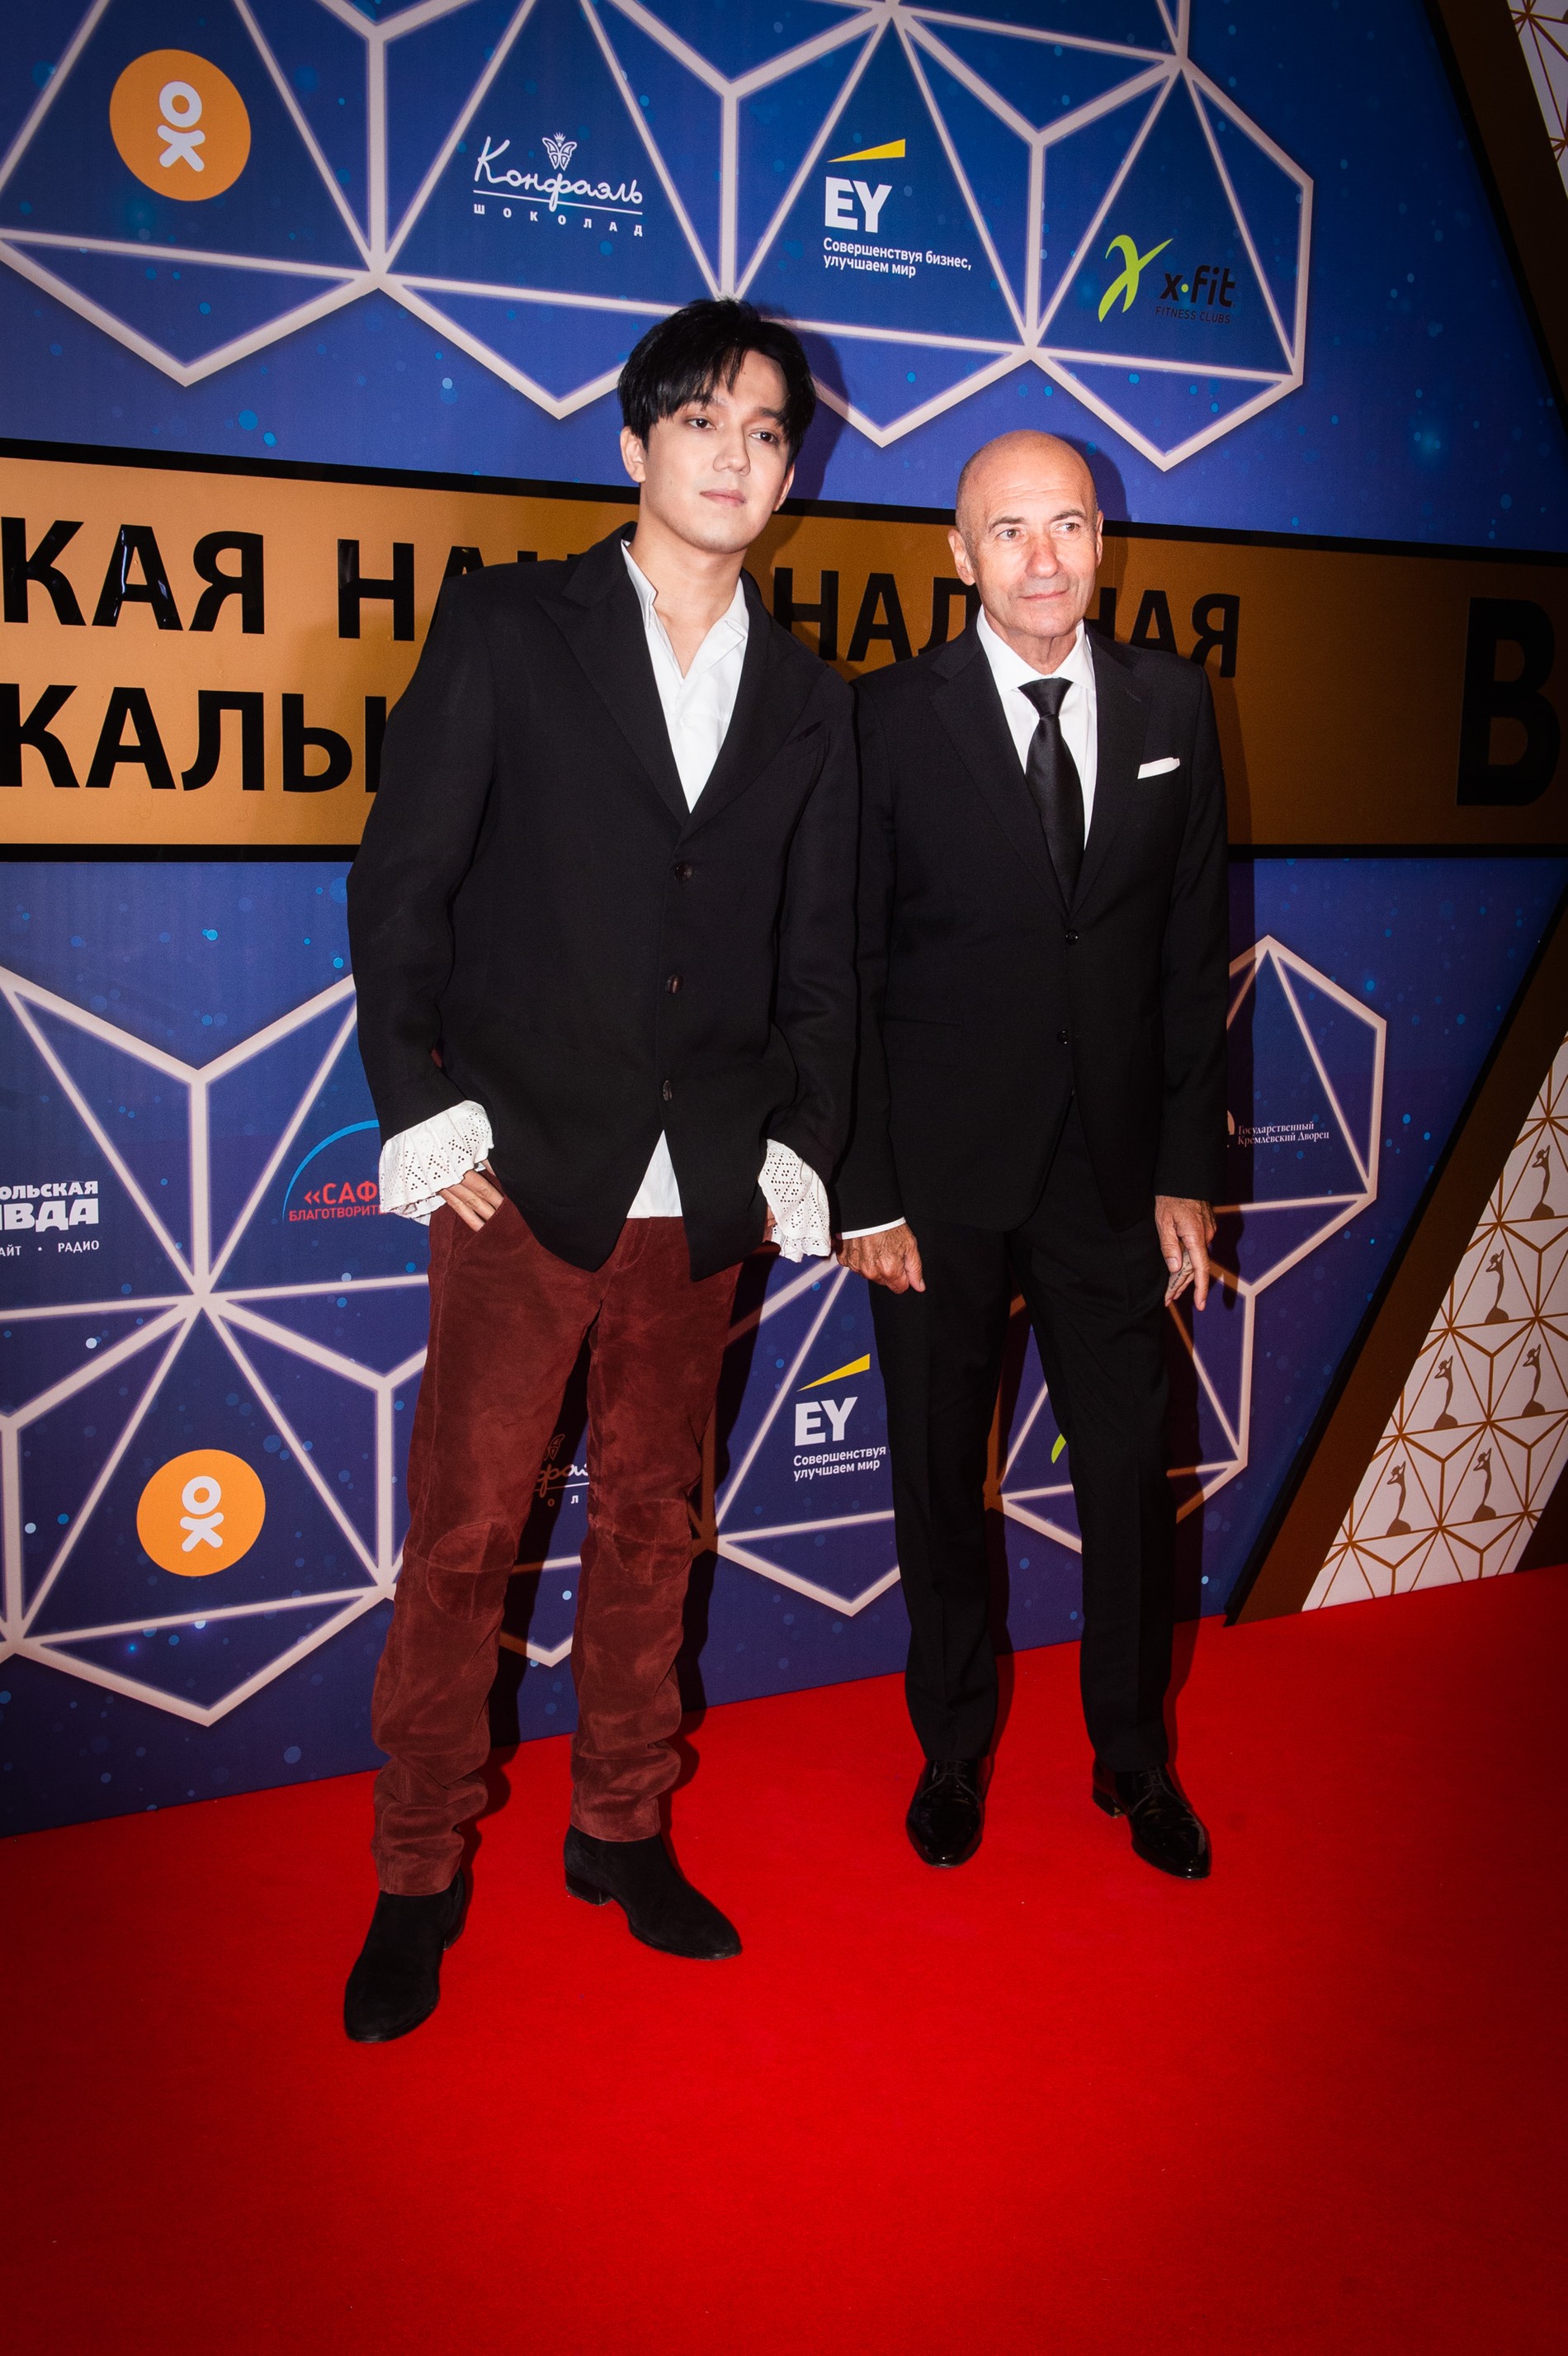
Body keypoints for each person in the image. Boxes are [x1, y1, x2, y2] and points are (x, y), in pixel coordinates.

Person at [342, 300, 857, 2040]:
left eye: (766, 430)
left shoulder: (810, 696)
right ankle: (416, 1864)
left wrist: (794, 1141)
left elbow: (818, 954)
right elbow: (403, 879)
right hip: (523, 1171)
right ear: (634, 443)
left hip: (698, 1190)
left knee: (653, 1520)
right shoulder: (509, 624)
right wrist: (421, 1104)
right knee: (464, 1531)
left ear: (788, 473)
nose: (734, 454)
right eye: (700, 420)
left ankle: (620, 1825)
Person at [837, 430, 1227, 1880]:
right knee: (939, 1473)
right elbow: (846, 966)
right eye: (1010, 531)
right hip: (934, 1181)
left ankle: (1133, 1754)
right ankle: (952, 1744)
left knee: (1125, 1471)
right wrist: (863, 1186)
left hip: (1112, 1175)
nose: (1044, 557)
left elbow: (1192, 953)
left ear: (1103, 541)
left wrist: (1185, 1166)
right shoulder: (885, 718)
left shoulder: (1174, 700)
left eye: (1067, 524)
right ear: (960, 555)